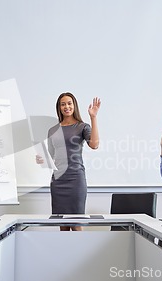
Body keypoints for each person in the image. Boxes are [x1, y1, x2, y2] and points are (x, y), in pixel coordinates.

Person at [36, 93, 101, 231]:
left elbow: (94, 145)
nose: (67, 106)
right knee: (63, 226)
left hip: (76, 180)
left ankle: (80, 253)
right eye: (63, 104)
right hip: (58, 181)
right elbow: (51, 156)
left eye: (69, 103)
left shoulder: (82, 127)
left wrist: (93, 117)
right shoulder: (52, 130)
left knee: (77, 225)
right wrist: (42, 159)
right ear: (59, 108)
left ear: (74, 105)